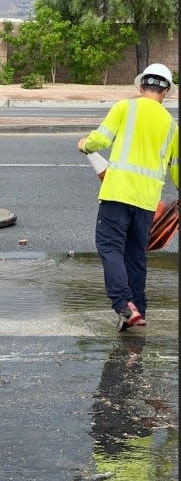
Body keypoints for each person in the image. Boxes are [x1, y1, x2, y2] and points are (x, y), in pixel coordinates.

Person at [77, 63, 179, 331]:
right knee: (135, 256)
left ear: (141, 85)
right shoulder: (172, 126)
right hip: (146, 202)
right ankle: (138, 312)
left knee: (109, 247)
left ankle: (123, 304)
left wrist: (85, 144)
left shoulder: (125, 107)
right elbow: (177, 169)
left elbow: (101, 139)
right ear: (166, 91)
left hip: (118, 193)